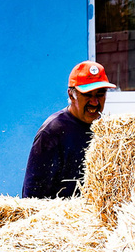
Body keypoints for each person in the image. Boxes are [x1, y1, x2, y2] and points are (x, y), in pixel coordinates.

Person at [22, 60, 116, 199]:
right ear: (71, 95)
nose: (94, 102)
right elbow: (32, 196)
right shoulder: (52, 132)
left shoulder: (107, 130)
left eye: (100, 94)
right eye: (88, 94)